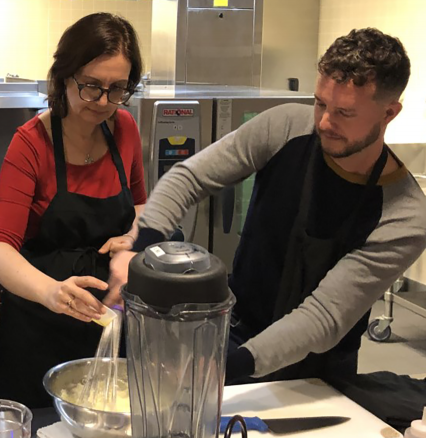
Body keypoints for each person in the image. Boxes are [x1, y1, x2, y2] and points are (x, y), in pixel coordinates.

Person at [109, 28, 426, 384]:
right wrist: (136, 249)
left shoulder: (404, 216)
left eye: (344, 113)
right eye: (320, 103)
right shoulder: (286, 126)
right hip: (234, 329)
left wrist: (227, 369)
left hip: (314, 375)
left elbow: (323, 318)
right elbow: (188, 177)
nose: (323, 122)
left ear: (389, 113)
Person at [0, 13, 147, 408]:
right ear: (64, 77)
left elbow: (142, 205)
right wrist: (52, 292)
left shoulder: (124, 128)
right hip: (40, 328)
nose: (104, 101)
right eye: (91, 86)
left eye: (118, 89)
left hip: (109, 323)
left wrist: (132, 239)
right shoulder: (31, 144)